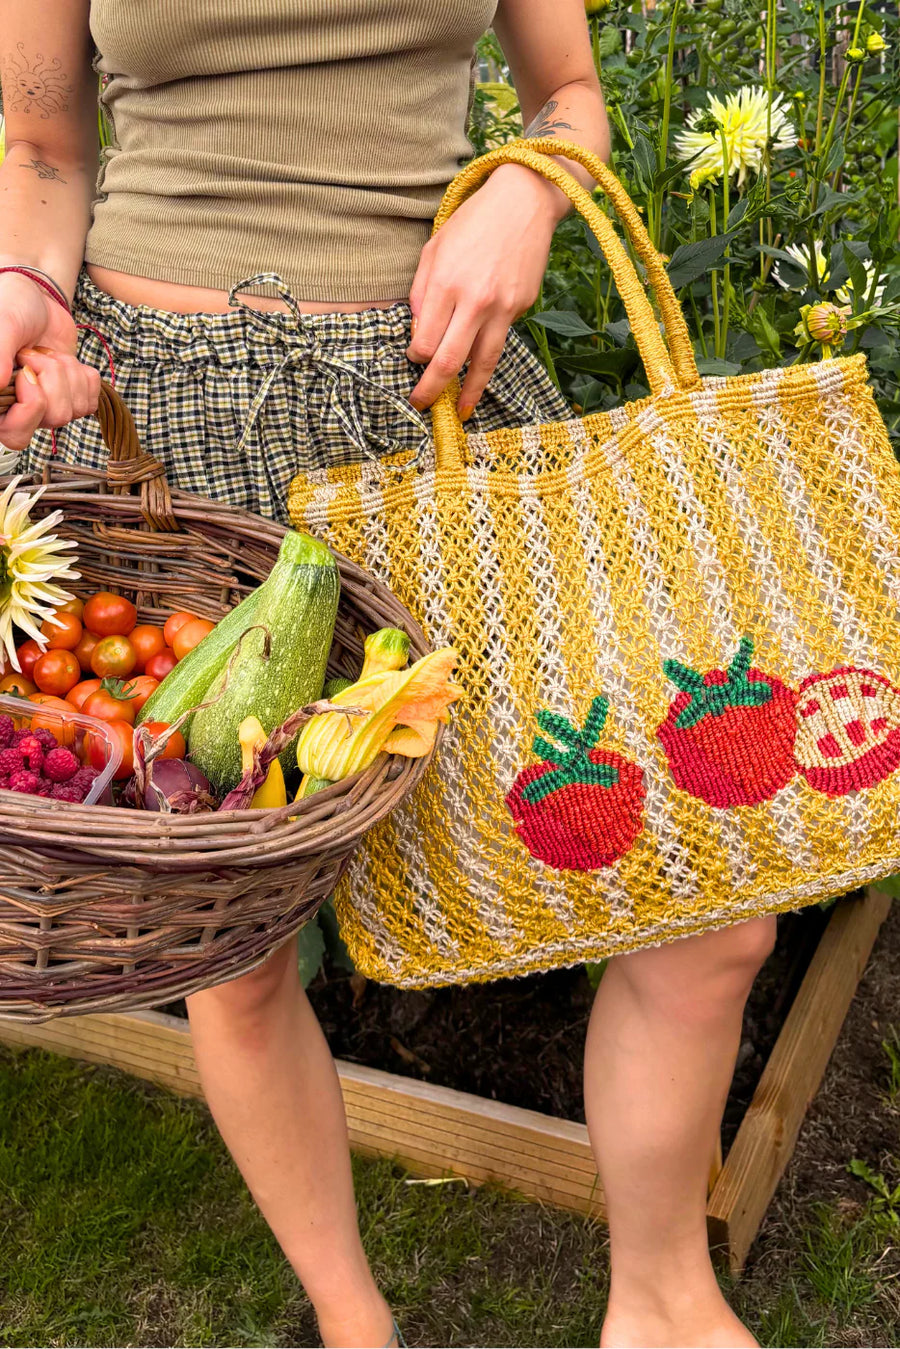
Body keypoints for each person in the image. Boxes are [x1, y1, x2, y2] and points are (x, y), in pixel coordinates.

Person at [0, 3, 772, 1345]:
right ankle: (358, 1323)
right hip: (164, 434)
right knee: (236, 951)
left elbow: (571, 91)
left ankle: (664, 1299)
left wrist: (531, 181)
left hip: (432, 396)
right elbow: (45, 145)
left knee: (704, 905)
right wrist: (27, 288)